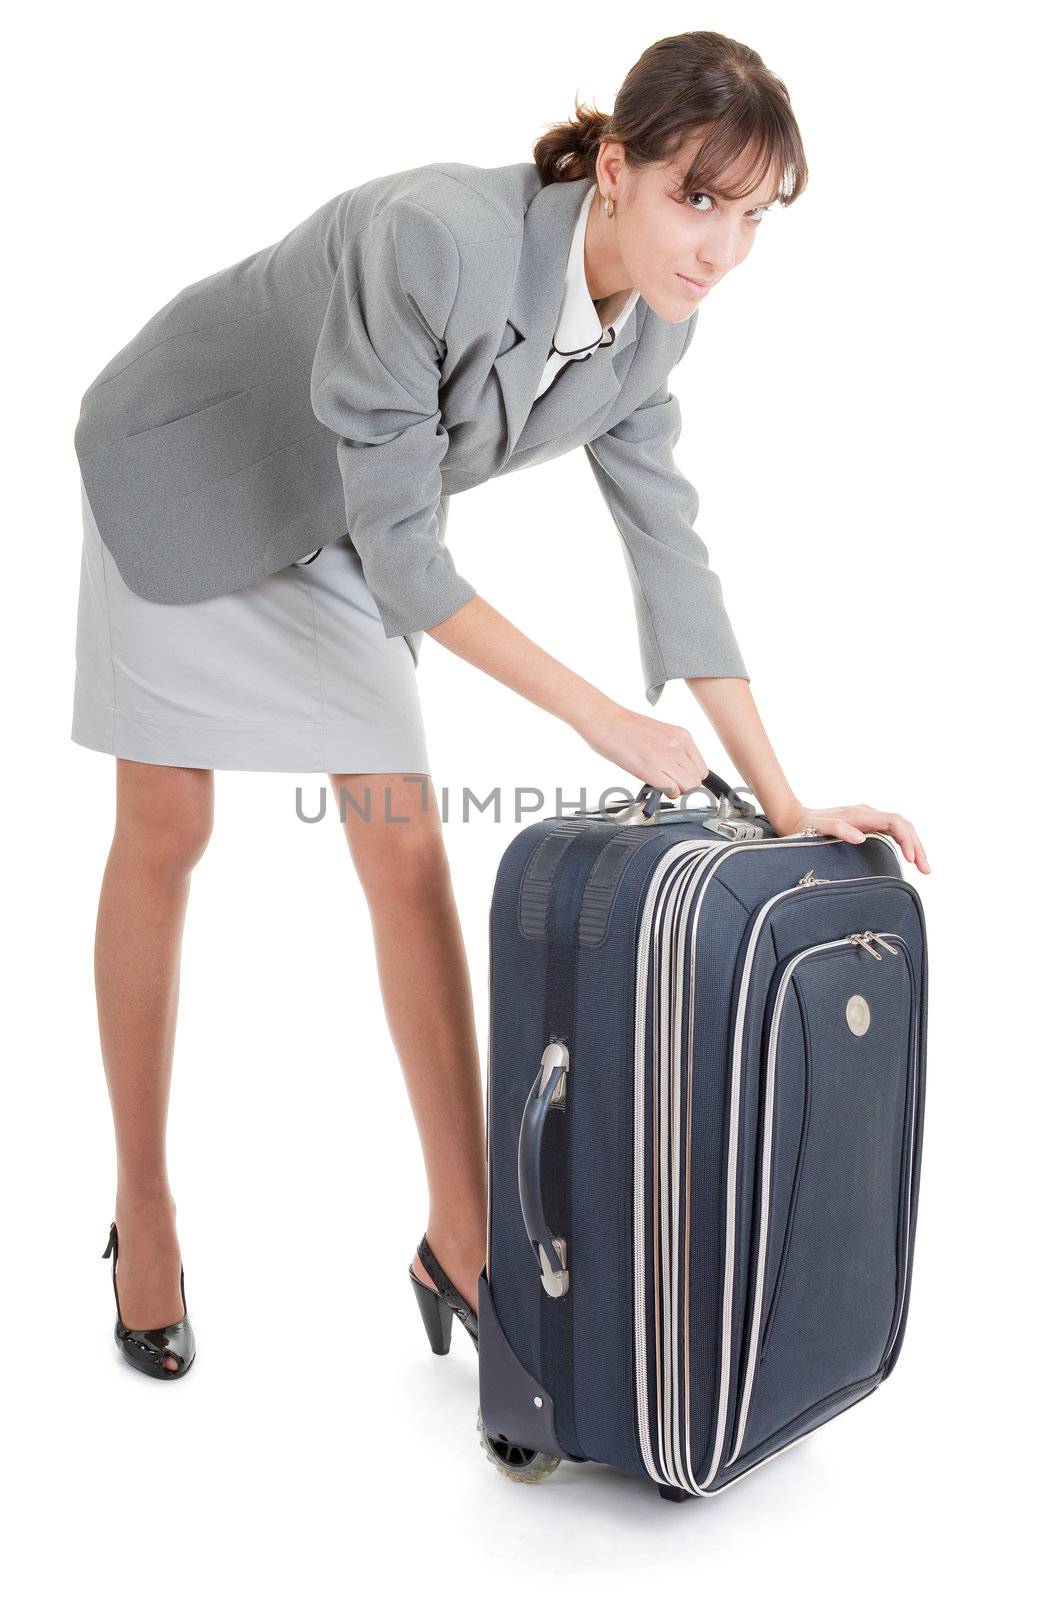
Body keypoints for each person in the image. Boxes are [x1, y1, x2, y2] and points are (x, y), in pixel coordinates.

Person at [72, 29, 929, 1379]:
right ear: (612, 167)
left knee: (406, 853)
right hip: (190, 471)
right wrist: (600, 717)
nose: (718, 249)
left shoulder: (649, 339)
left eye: (753, 219)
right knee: (168, 830)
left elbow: (673, 559)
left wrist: (783, 799)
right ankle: (146, 1211)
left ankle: (464, 1238)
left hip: (347, 523)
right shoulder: (439, 239)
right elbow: (415, 563)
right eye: (695, 198)